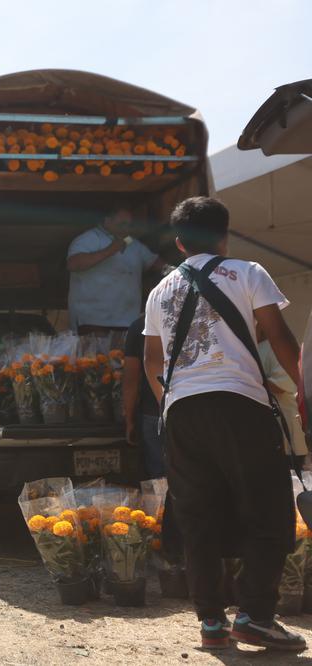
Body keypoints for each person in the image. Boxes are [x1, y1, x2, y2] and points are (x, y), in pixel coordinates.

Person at [143, 196, 306, 651]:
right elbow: (278, 335)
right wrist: (306, 391)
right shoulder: (249, 273)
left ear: (178, 243)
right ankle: (254, 615)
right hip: (239, 406)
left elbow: (152, 359)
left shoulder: (160, 292)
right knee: (269, 512)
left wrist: (172, 404)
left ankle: (211, 623)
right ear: (224, 235)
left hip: (182, 414)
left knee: (198, 518)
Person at [67, 206, 166, 334]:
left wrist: (178, 272)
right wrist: (111, 249)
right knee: (93, 354)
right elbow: (73, 264)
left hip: (127, 320)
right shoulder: (89, 239)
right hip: (92, 321)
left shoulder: (133, 243)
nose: (127, 228)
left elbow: (155, 263)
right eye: (122, 224)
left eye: (129, 225)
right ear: (107, 221)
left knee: (121, 354)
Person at [257, 323, 309, 471]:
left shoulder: (276, 348)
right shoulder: (251, 348)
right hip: (264, 434)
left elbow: (282, 384)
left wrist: (247, 380)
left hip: (286, 433)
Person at [122, 313, 164, 479]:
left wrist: (129, 421)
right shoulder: (194, 319)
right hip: (185, 408)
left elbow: (131, 379)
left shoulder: (139, 326)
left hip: (153, 412)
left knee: (159, 478)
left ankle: (162, 505)